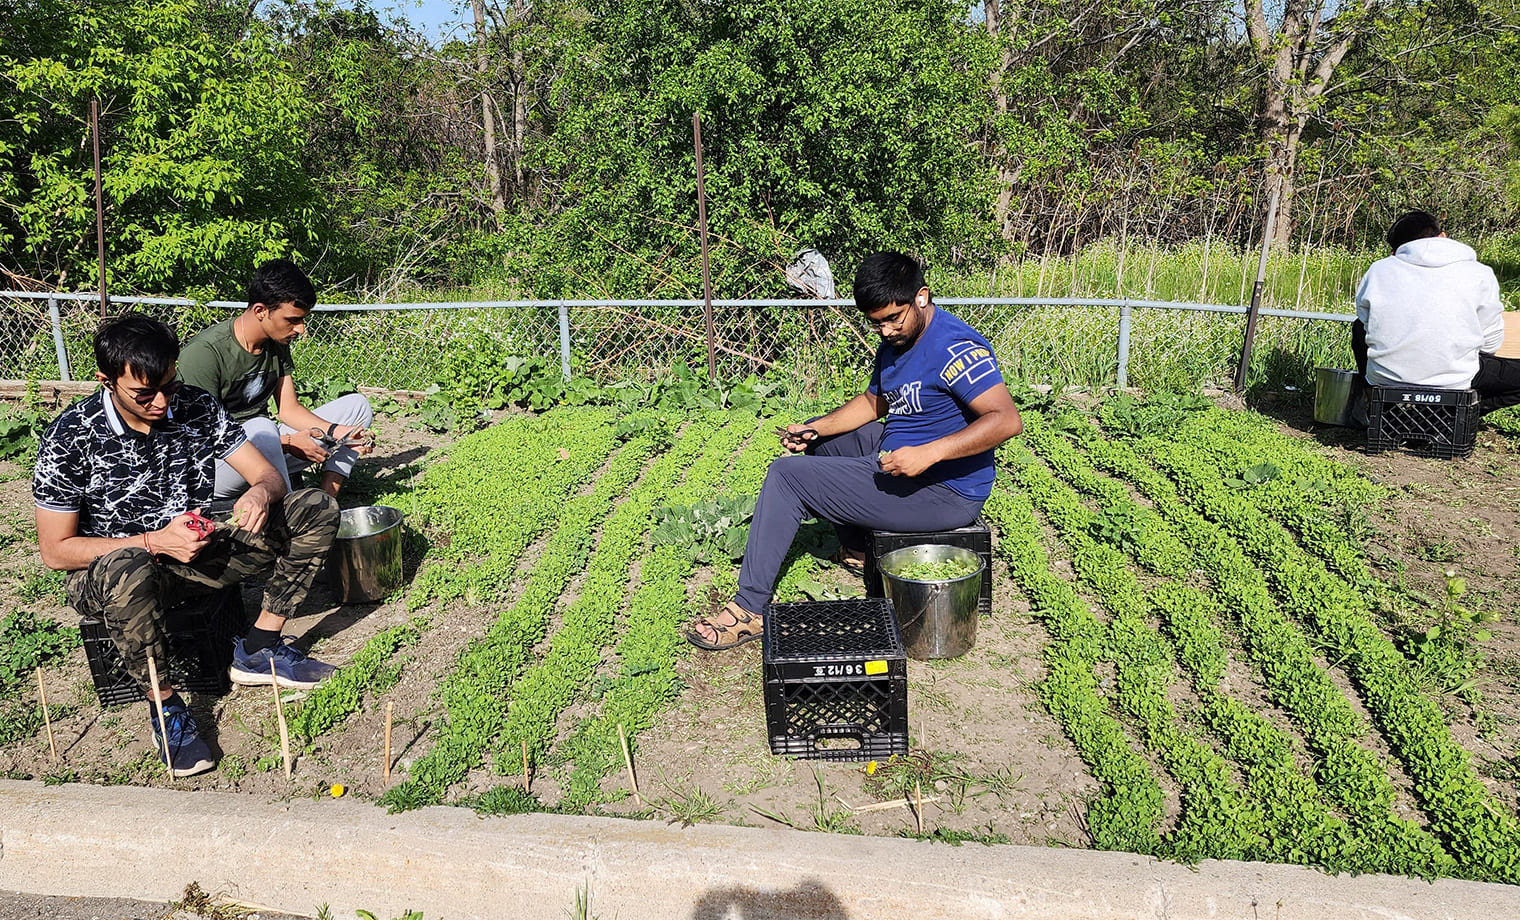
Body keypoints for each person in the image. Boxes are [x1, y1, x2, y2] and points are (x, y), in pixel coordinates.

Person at [32, 314, 342, 777]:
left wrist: (260, 492)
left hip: (200, 551)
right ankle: (166, 708)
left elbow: (267, 474)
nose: (161, 402)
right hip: (118, 573)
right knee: (129, 566)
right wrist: (154, 542)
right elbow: (56, 551)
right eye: (144, 393)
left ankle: (260, 648)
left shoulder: (195, 406)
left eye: (169, 386)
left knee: (313, 506)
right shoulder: (71, 436)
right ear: (105, 380)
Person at [686, 251, 1023, 650]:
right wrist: (815, 428)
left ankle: (749, 608)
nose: (885, 331)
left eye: (893, 318)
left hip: (943, 490)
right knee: (827, 444)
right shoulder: (896, 344)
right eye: (876, 323)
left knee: (786, 477)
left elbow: (1006, 420)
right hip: (900, 459)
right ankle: (860, 550)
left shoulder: (955, 347)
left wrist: (929, 453)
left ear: (922, 297)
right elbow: (873, 403)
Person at [178, 259, 375, 499]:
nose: (301, 329)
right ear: (261, 311)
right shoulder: (205, 353)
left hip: (268, 446)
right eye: (293, 320)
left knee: (357, 407)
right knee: (262, 428)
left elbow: (289, 410)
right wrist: (287, 442)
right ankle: (292, 520)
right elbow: (201, 439)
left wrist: (339, 432)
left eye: (302, 320)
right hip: (217, 466)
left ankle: (326, 502)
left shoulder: (276, 342)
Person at [1353, 210, 1520, 415]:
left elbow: (1365, 323)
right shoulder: (1479, 273)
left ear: (1395, 250)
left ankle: (1379, 406)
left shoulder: (1378, 270)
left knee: (1358, 328)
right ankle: (1462, 412)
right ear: (1442, 236)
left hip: (1385, 379)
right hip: (1457, 378)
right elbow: (1491, 343)